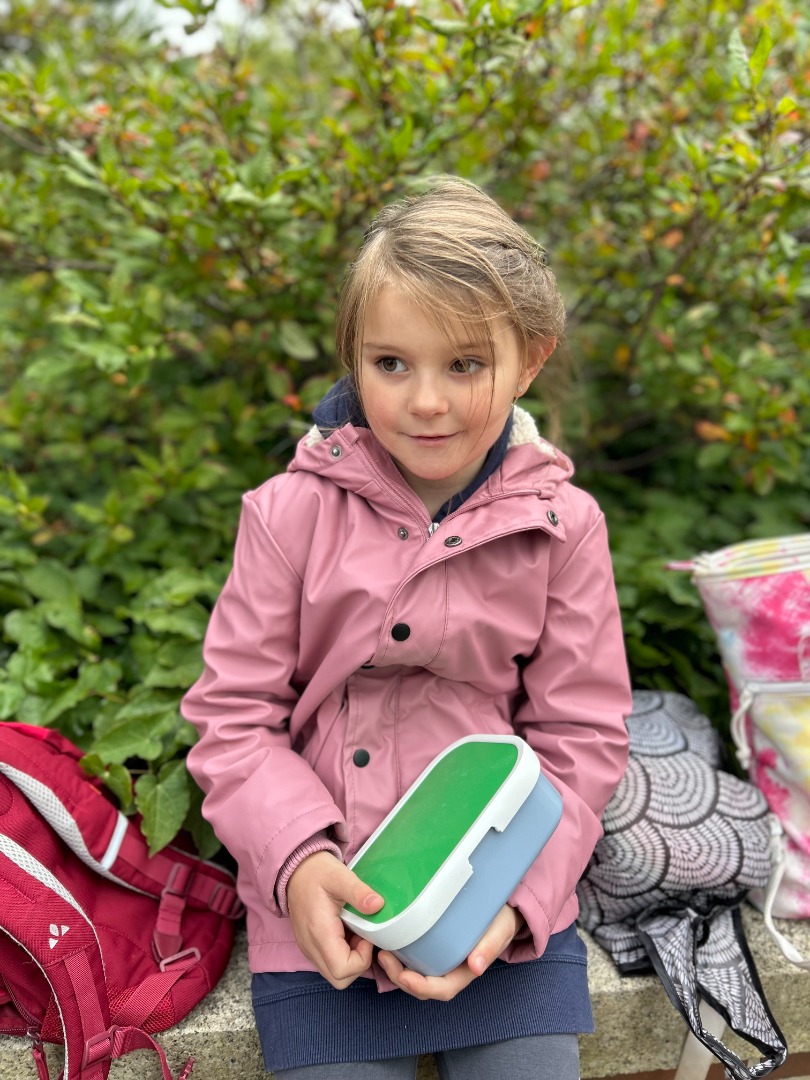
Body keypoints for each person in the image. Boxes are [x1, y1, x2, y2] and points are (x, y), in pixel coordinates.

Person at [181, 176, 632, 1080]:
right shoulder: (288, 515)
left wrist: (517, 904)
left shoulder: (564, 524)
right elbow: (234, 721)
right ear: (354, 359)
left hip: (501, 904)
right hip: (325, 916)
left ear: (531, 359)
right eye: (391, 364)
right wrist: (299, 867)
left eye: (465, 365)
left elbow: (581, 735)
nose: (425, 401)